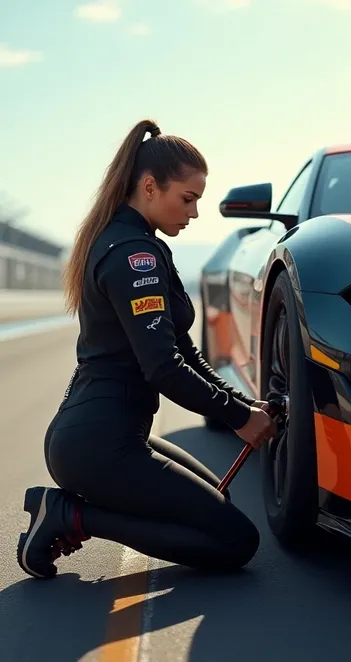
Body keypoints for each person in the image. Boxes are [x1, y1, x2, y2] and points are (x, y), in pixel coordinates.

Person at [17, 119, 277, 580]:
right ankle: (69, 516)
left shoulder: (144, 246)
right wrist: (239, 420)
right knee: (237, 541)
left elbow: (185, 353)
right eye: (188, 198)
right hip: (96, 445)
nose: (194, 213)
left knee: (217, 504)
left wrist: (240, 405)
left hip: (106, 435)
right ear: (150, 186)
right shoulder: (132, 256)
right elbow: (164, 369)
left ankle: (71, 512)